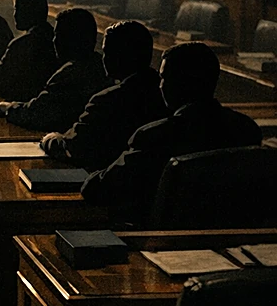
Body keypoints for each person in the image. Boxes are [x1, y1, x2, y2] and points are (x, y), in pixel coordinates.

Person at [82, 42, 262, 224]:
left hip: (162, 242)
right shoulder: (247, 129)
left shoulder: (155, 136)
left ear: (179, 84)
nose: (160, 86)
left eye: (164, 78)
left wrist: (95, 173)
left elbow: (98, 190)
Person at [40, 20, 167, 170]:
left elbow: (74, 147)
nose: (104, 59)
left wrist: (50, 139)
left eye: (107, 52)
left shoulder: (107, 101)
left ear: (120, 56)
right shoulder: (164, 95)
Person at [0, 8, 110, 132]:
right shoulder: (102, 68)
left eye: (58, 35)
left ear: (70, 40)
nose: (54, 40)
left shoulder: (68, 75)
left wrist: (9, 108)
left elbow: (36, 113)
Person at [0, 0, 59, 101]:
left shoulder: (22, 44)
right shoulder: (55, 40)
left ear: (28, 11)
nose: (14, 15)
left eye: (16, 9)